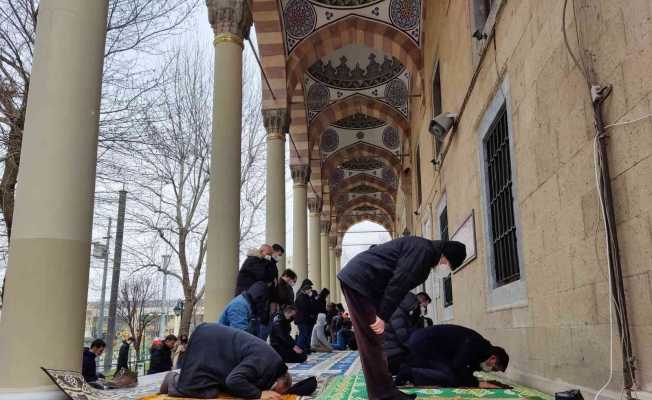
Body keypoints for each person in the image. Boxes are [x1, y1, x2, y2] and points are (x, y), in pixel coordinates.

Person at [337, 237, 466, 400]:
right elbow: (399, 283)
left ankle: (385, 391)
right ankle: (383, 394)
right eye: (449, 265)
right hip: (360, 281)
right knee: (371, 339)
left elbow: (396, 283)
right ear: (445, 256)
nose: (446, 269)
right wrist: (382, 316)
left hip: (364, 282)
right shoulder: (423, 252)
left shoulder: (425, 252)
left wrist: (382, 313)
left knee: (375, 339)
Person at [160, 323, 292, 399]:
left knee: (214, 388)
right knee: (203, 391)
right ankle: (172, 379)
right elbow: (234, 380)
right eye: (276, 390)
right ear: (280, 380)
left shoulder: (271, 362)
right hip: (205, 343)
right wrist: (259, 394)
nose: (273, 392)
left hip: (210, 340)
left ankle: (179, 378)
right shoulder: (264, 362)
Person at [395, 324, 509, 388]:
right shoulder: (477, 345)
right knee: (450, 378)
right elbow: (459, 367)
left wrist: (471, 379)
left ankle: (411, 369)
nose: (491, 370)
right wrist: (478, 383)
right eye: (494, 368)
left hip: (428, 344)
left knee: (453, 376)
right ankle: (409, 373)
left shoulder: (481, 350)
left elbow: (467, 367)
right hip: (423, 343)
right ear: (493, 358)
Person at [384, 293, 423, 374]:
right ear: (409, 303)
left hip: (391, 353)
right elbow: (404, 338)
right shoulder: (398, 314)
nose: (415, 308)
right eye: (415, 305)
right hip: (394, 355)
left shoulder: (399, 312)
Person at [294, 279, 318, 353]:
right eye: (309, 288)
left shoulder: (305, 295)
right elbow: (306, 307)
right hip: (303, 319)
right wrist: (311, 298)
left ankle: (306, 349)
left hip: (307, 319)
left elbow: (313, 306)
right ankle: (298, 350)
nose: (311, 289)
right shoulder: (301, 296)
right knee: (303, 334)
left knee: (307, 334)